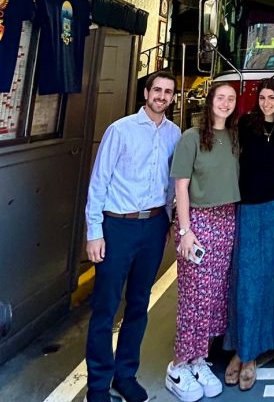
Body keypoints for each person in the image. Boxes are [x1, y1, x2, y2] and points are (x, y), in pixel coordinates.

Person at [84, 69, 180, 402]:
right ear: (146, 93)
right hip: (117, 226)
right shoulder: (120, 130)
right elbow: (99, 182)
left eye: (168, 92)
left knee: (139, 304)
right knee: (105, 307)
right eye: (157, 90)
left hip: (153, 226)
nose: (162, 97)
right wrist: (94, 232)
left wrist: (167, 222)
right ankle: (97, 387)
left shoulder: (174, 134)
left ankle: (125, 375)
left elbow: (172, 184)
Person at [166, 82, 240, 402]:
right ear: (210, 102)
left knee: (214, 296)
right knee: (194, 296)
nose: (225, 104)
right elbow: (180, 188)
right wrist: (185, 231)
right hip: (198, 221)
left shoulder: (235, 139)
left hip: (227, 220)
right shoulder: (191, 138)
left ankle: (199, 360)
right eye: (220, 98)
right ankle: (178, 365)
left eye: (230, 99)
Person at [224, 79, 274, 391]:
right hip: (248, 207)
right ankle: (244, 351)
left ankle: (258, 346)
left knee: (272, 277)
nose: (266, 102)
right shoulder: (243, 124)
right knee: (246, 279)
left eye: (272, 98)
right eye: (262, 97)